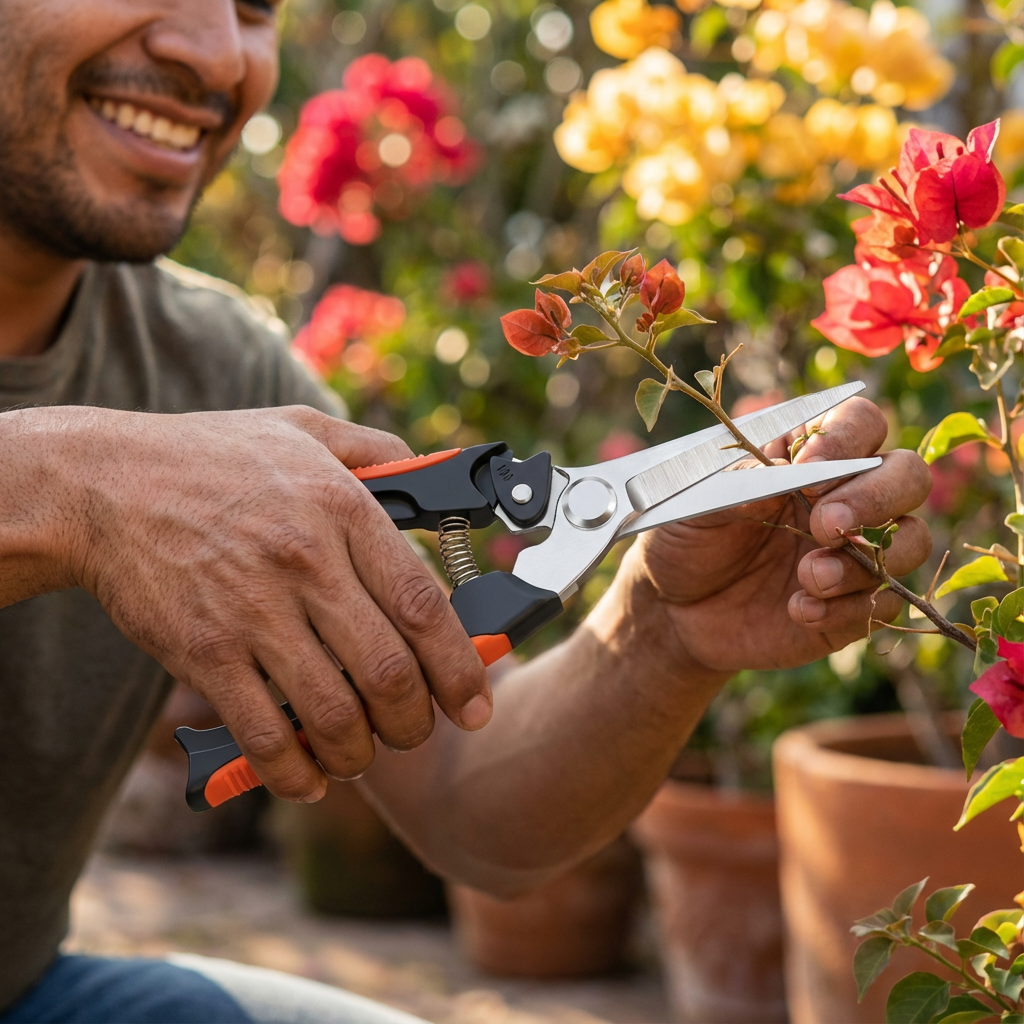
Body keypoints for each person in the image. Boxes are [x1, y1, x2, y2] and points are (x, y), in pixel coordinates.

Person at [0, 1, 934, 1021]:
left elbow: (469, 805)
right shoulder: (156, 435)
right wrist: (72, 484)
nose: (217, 52)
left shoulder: (209, 366)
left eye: (257, 9)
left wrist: (664, 632)